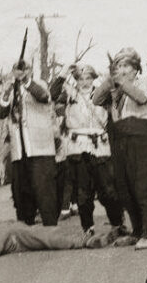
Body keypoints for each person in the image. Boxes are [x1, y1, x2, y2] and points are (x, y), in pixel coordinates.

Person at [93, 48, 147, 250]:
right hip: (120, 137)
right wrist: (109, 81)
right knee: (125, 187)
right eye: (119, 66)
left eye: (126, 66)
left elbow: (141, 98)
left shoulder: (145, 82)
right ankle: (137, 230)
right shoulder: (115, 86)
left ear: (135, 69)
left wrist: (122, 83)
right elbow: (96, 100)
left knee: (143, 185)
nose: (122, 70)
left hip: (141, 136)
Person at [52, 64, 125, 234]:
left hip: (99, 145)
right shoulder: (69, 94)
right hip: (77, 147)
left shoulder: (102, 93)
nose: (84, 82)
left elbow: (117, 95)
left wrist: (110, 75)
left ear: (93, 78)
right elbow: (51, 95)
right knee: (83, 192)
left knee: (107, 189)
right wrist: (62, 76)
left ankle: (117, 223)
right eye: (80, 78)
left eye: (88, 78)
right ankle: (88, 228)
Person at [0, 60, 59, 226]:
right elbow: (0, 113)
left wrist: (25, 81)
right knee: (21, 192)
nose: (21, 72)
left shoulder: (39, 84)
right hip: (19, 149)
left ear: (30, 70)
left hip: (40, 148)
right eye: (17, 70)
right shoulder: (10, 90)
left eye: (24, 69)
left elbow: (44, 96)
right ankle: (26, 227)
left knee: (44, 190)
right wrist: (9, 88)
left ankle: (50, 227)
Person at [0, 220, 108, 261]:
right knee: (45, 237)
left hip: (18, 233)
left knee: (46, 234)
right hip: (8, 234)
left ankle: (84, 239)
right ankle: (84, 240)